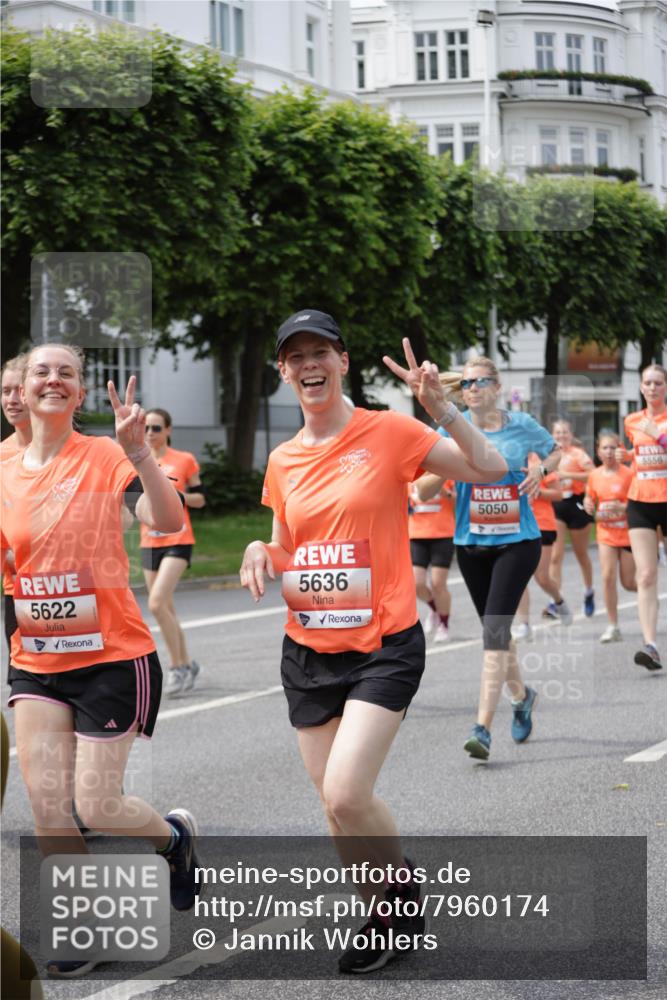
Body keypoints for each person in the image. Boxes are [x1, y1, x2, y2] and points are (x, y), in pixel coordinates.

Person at [240, 310, 507, 974]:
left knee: (345, 795)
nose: (308, 364)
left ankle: (399, 887)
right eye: (294, 355)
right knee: (334, 810)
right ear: (282, 371)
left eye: (320, 352)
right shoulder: (282, 458)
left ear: (342, 362)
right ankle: (383, 916)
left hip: (383, 642)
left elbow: (490, 468)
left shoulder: (387, 431)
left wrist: (441, 408)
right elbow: (286, 543)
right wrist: (257, 547)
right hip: (307, 647)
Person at [0, 344, 201, 977]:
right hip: (35, 656)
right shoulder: (1, 467)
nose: (53, 380)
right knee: (48, 808)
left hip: (113, 658)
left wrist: (140, 450)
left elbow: (165, 520)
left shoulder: (105, 454)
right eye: (42, 371)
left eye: (67, 373)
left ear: (80, 392)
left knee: (95, 806)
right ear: (23, 390)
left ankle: (173, 840)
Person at [417, 358, 561, 762]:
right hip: (472, 544)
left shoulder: (523, 425)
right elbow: (424, 491)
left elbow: (555, 452)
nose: (473, 388)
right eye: (466, 383)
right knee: (497, 633)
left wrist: (541, 471)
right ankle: (522, 695)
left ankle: (481, 727)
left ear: (497, 387)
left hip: (519, 542)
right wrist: (442, 470)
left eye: (480, 381)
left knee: (494, 633)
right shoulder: (450, 426)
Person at [140, 408, 205, 697]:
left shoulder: (184, 460)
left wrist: (177, 497)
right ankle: (188, 664)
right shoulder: (138, 463)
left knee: (155, 604)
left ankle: (177, 667)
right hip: (148, 543)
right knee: (167, 608)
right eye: (146, 428)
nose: (150, 433)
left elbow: (201, 499)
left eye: (156, 427)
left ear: (168, 430)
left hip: (178, 540)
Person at [622, 364, 667, 671]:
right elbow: (637, 455)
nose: (652, 388)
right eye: (647, 383)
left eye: (658, 383)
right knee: (646, 575)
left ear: (665, 388)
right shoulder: (631, 421)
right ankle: (651, 646)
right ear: (641, 388)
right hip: (640, 501)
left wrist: (659, 437)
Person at [583, 431, 636, 643]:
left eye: (613, 447)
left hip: (628, 532)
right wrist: (588, 504)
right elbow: (590, 498)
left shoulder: (629, 474)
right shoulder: (594, 475)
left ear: (620, 449)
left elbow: (637, 504)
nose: (609, 452)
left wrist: (622, 507)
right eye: (605, 448)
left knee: (629, 582)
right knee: (607, 577)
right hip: (606, 532)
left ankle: (647, 593)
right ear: (598, 451)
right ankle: (613, 626)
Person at [513, 454, 572, 640]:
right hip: (517, 524)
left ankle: (559, 601)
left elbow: (558, 494)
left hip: (542, 525)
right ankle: (524, 625)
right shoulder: (506, 460)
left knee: (542, 577)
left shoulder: (540, 462)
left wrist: (536, 490)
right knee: (519, 576)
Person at [1, 355, 32, 656]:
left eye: (18, 390)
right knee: (27, 685)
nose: (11, 399)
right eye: (5, 391)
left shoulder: (74, 451)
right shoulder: (1, 456)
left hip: (74, 588)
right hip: (18, 591)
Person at [549, 420, 596, 617]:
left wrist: (567, 474)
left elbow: (593, 475)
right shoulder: (549, 455)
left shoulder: (578, 454)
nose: (561, 436)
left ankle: (588, 591)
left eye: (564, 432)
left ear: (570, 435)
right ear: (552, 435)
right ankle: (555, 600)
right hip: (558, 504)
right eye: (557, 433)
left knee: (581, 554)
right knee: (555, 556)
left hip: (576, 504)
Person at [408, 477, 455, 642]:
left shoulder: (444, 472)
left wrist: (445, 492)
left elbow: (459, 502)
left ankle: (444, 624)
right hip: (417, 534)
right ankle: (434, 608)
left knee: (437, 583)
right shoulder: (411, 474)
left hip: (443, 533)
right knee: (416, 583)